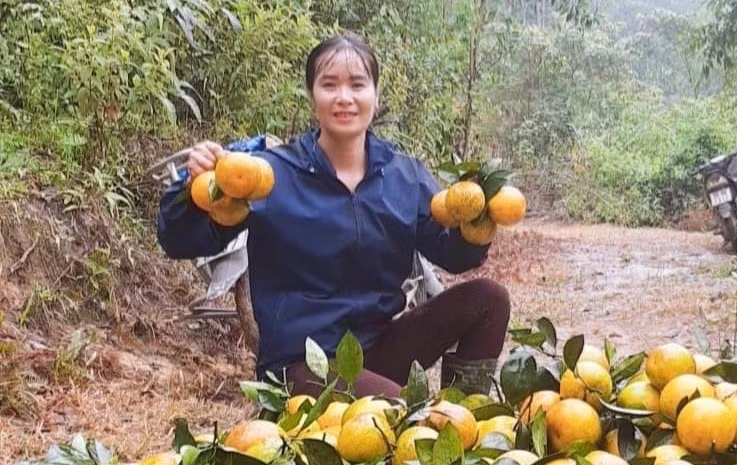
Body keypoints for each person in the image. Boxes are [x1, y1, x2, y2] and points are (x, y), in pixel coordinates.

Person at [156, 32, 510, 398]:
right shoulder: (269, 175)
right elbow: (178, 240)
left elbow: (452, 254)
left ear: (375, 95)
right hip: (301, 364)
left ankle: (470, 424)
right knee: (408, 416)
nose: (344, 97)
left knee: (489, 299)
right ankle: (429, 428)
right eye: (330, 85)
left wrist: (476, 223)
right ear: (313, 97)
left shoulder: (403, 175)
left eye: (357, 84)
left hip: (376, 350)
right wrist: (194, 193)